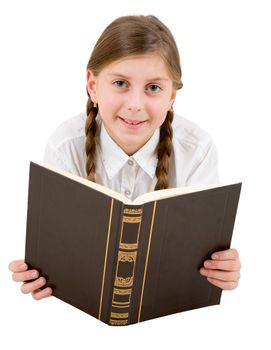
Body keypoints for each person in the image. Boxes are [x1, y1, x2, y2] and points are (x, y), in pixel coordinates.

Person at [8, 15, 241, 301]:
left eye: (153, 88)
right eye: (120, 83)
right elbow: (62, 249)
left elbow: (201, 257)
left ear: (171, 98)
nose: (134, 105)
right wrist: (41, 272)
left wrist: (221, 269)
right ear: (93, 86)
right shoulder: (64, 146)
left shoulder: (197, 150)